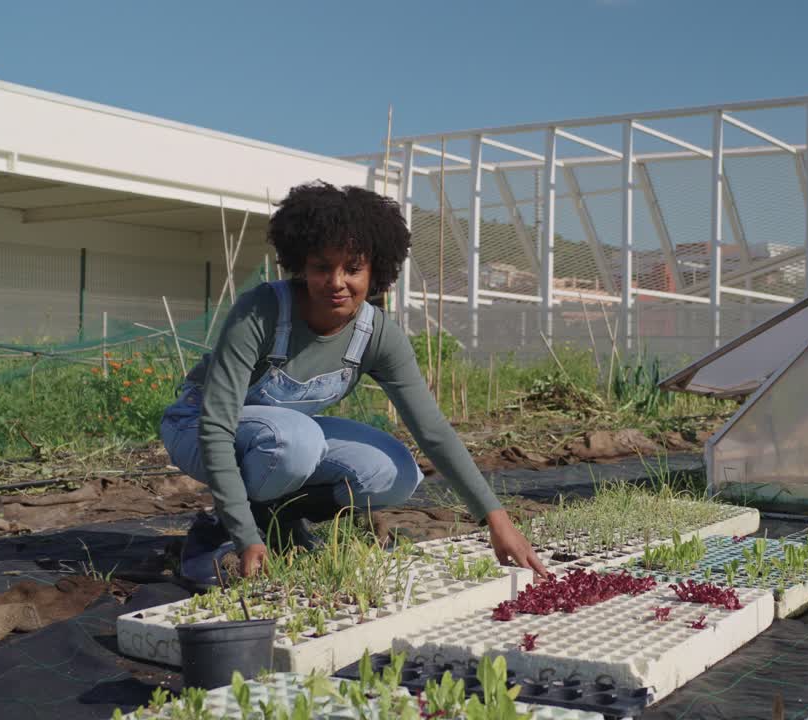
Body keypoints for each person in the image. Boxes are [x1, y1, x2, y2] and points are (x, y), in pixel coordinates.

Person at [160, 181, 546, 584]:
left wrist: (495, 519)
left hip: (280, 438)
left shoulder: (376, 334)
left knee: (396, 472)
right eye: (321, 267)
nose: (336, 281)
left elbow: (432, 430)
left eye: (352, 268)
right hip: (198, 426)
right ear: (301, 265)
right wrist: (242, 533)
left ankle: (280, 522)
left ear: (376, 269)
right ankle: (221, 529)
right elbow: (218, 425)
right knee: (296, 441)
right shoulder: (263, 312)